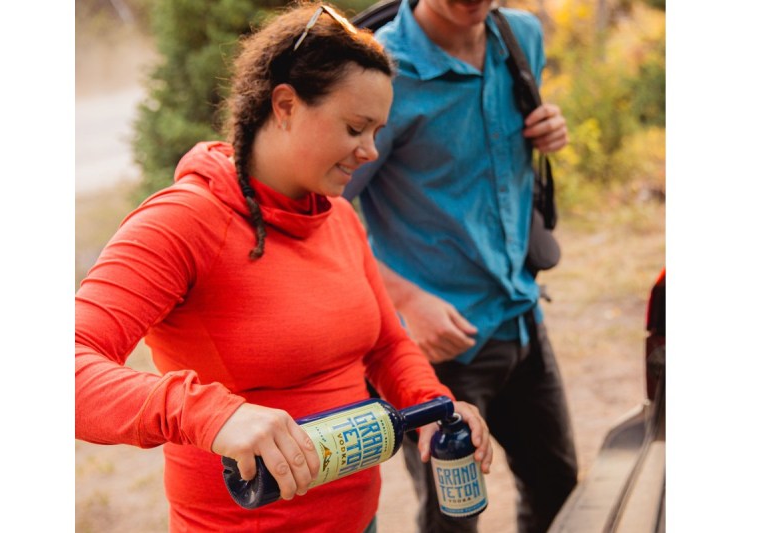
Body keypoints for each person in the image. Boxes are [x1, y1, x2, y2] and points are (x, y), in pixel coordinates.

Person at [74, 3, 493, 532]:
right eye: (355, 127)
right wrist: (211, 414)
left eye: (377, 132)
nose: (370, 151)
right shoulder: (183, 221)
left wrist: (434, 407)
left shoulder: (338, 217)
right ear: (286, 104)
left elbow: (387, 345)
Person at [343, 0, 578, 532]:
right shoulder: (378, 71)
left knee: (560, 496)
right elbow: (319, 211)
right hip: (436, 349)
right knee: (455, 522)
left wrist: (548, 131)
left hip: (520, 317)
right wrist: (402, 300)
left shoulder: (519, 35)